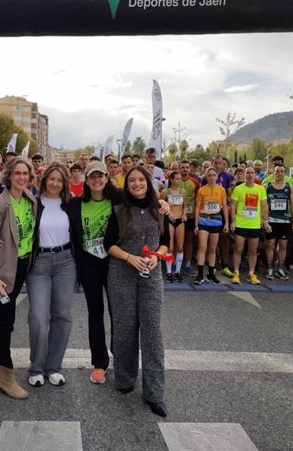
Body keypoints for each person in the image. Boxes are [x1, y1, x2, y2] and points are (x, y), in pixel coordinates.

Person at [104, 165, 171, 418]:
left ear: (148, 182)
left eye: (140, 180)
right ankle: (124, 379)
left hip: (151, 276)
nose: (136, 184)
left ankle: (155, 393)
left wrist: (158, 256)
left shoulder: (159, 209)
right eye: (131, 180)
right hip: (122, 273)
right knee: (125, 327)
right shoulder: (119, 209)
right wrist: (129, 257)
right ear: (127, 184)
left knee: (153, 331)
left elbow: (166, 242)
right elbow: (108, 244)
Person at [0, 156, 37, 399]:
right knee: (6, 322)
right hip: (3, 271)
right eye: (17, 173)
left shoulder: (29, 199)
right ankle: (7, 376)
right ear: (9, 176)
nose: (22, 177)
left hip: (21, 266)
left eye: (26, 174)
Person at [27, 162, 78, 388]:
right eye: (52, 178)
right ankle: (36, 367)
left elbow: (106, 198)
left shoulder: (72, 204)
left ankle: (54, 367)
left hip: (66, 262)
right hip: (39, 263)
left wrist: (162, 202)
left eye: (60, 180)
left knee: (62, 315)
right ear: (45, 179)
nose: (55, 183)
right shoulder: (33, 203)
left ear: (65, 183)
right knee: (38, 316)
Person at [69, 161, 120, 385]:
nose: (97, 180)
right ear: (86, 180)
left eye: (101, 176)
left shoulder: (118, 200)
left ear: (107, 178)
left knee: (118, 312)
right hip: (89, 263)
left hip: (115, 262)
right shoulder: (75, 204)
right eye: (92, 177)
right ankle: (99, 363)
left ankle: (121, 355)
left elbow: (144, 202)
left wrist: (162, 204)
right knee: (95, 313)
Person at [230, 167, 271, 285]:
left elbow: (264, 206)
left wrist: (265, 220)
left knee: (253, 251)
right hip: (241, 224)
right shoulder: (238, 189)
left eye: (252, 173)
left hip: (254, 225)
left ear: (255, 175)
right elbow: (233, 206)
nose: (249, 175)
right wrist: (233, 221)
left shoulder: (260, 189)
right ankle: (236, 272)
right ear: (244, 175)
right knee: (238, 249)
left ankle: (251, 273)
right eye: (247, 173)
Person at [194, 168, 229, 284]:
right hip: (204, 220)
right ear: (206, 176)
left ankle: (210, 274)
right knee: (202, 247)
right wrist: (196, 224)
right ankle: (200, 274)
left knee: (213, 249)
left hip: (216, 220)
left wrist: (227, 223)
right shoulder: (201, 190)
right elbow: (197, 207)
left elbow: (224, 206)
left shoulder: (222, 190)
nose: (212, 177)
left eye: (214, 175)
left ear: (217, 177)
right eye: (209, 175)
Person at [264, 165, 293, 280]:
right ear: (274, 172)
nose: (279, 173)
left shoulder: (289, 187)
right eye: (277, 171)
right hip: (271, 220)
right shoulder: (267, 186)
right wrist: (264, 220)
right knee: (270, 244)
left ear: (285, 173)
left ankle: (280, 267)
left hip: (285, 220)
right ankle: (270, 267)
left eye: (282, 171)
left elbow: (292, 204)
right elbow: (264, 205)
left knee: (283, 245)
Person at [161, 170, 186, 282]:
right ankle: (169, 272)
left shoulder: (183, 191)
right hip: (169, 220)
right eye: (177, 178)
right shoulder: (166, 191)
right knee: (170, 247)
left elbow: (185, 205)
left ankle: (178, 271)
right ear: (171, 179)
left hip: (180, 220)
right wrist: (168, 212)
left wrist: (185, 214)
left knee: (180, 247)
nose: (179, 181)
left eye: (180, 179)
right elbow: (160, 204)